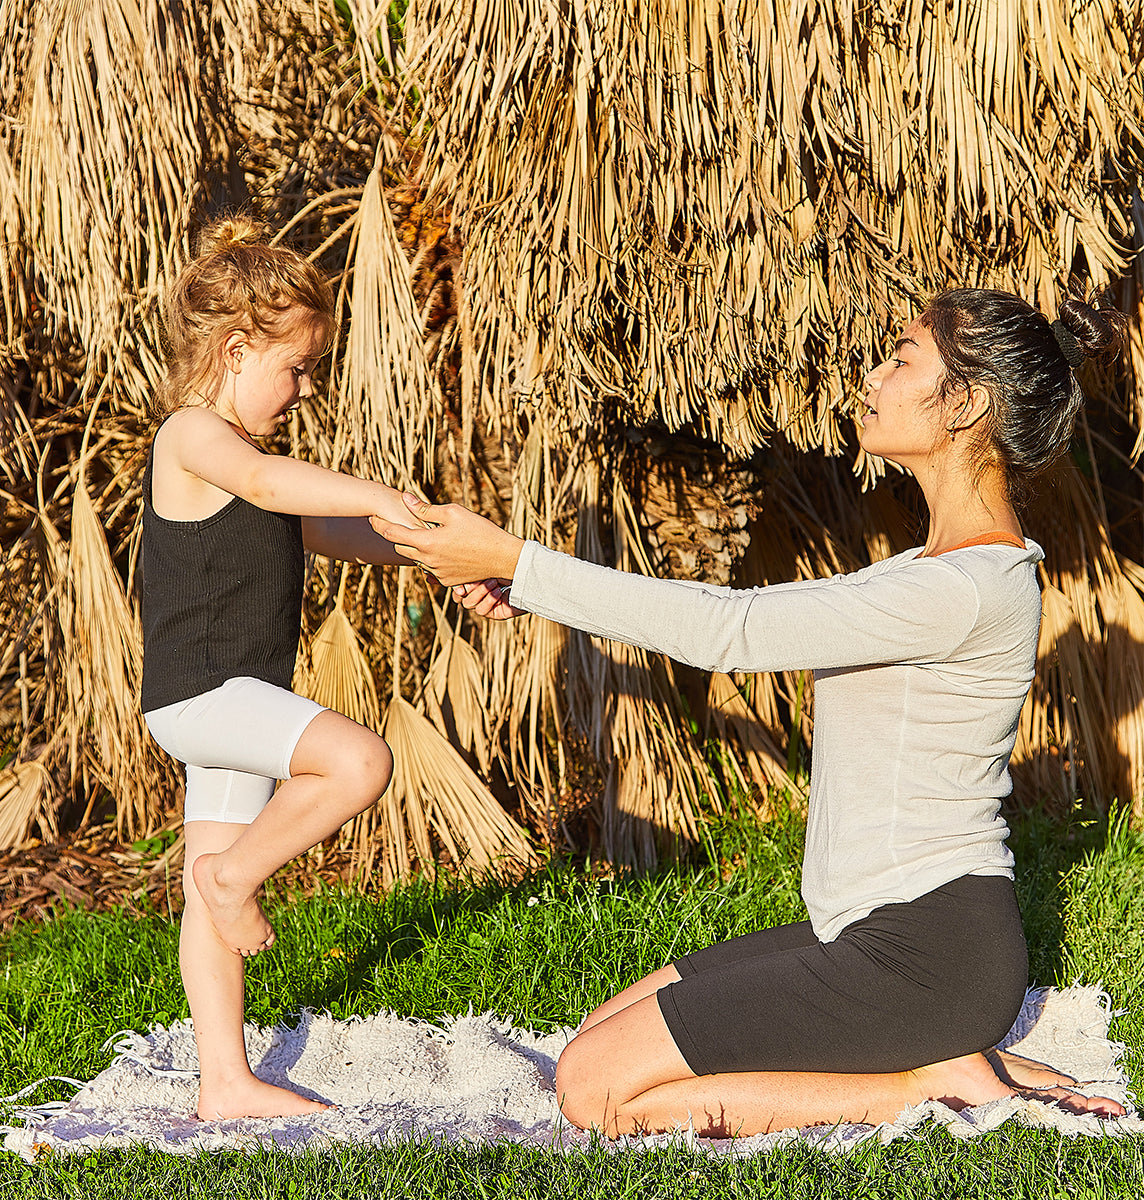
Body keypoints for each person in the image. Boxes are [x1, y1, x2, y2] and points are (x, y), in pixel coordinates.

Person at [370, 288, 1129, 1136]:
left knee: (594, 1088)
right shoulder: (924, 570)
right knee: (598, 1036)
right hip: (873, 933)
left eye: (903, 357)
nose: (873, 374)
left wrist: (521, 559)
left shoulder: (963, 587)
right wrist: (525, 583)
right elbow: (744, 613)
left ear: (968, 402)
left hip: (930, 953)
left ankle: (932, 1086)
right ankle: (970, 1058)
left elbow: (729, 632)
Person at [140, 216, 419, 1121]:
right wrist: (379, 489)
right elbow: (268, 490)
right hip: (205, 695)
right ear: (232, 350)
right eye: (294, 368)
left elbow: (316, 526)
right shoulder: (191, 437)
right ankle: (232, 881)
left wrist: (419, 544)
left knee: (210, 863)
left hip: (228, 699)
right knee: (358, 763)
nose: (304, 389)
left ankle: (224, 1083)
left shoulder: (248, 459)